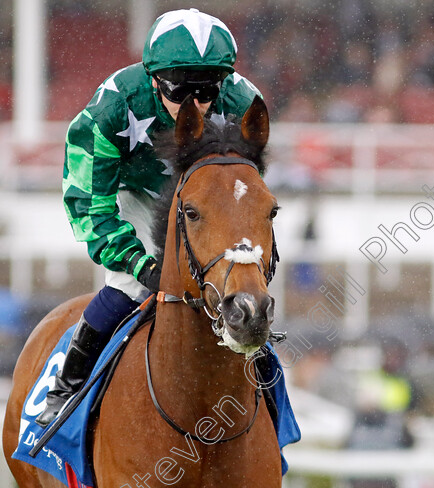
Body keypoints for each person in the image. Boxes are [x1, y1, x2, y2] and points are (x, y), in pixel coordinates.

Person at [38, 9, 269, 426]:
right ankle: (66, 386)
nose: (194, 104)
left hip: (206, 198)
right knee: (129, 284)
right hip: (134, 193)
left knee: (244, 284)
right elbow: (92, 205)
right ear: (153, 78)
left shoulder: (243, 102)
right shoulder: (112, 108)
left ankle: (272, 398)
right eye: (179, 88)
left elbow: (247, 189)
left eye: (206, 89)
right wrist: (139, 263)